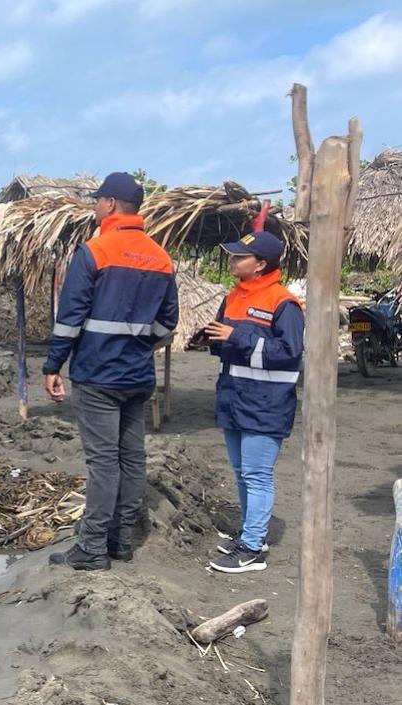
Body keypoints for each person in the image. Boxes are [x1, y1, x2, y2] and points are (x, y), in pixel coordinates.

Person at [44, 171, 179, 571]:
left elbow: (69, 318)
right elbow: (168, 321)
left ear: (112, 205)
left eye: (98, 200)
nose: (96, 206)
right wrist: (139, 344)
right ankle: (121, 541)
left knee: (103, 462)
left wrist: (54, 365)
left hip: (98, 375)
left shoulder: (94, 251)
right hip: (137, 375)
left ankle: (92, 548)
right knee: (132, 458)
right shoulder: (160, 257)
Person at [203, 230, 303, 574]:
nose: (232, 260)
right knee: (242, 473)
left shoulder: (284, 303)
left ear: (261, 264)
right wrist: (213, 339)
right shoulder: (232, 297)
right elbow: (228, 343)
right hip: (234, 399)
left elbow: (290, 354)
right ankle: (249, 536)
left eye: (239, 257)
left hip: (267, 404)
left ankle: (252, 550)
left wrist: (237, 336)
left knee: (257, 475)